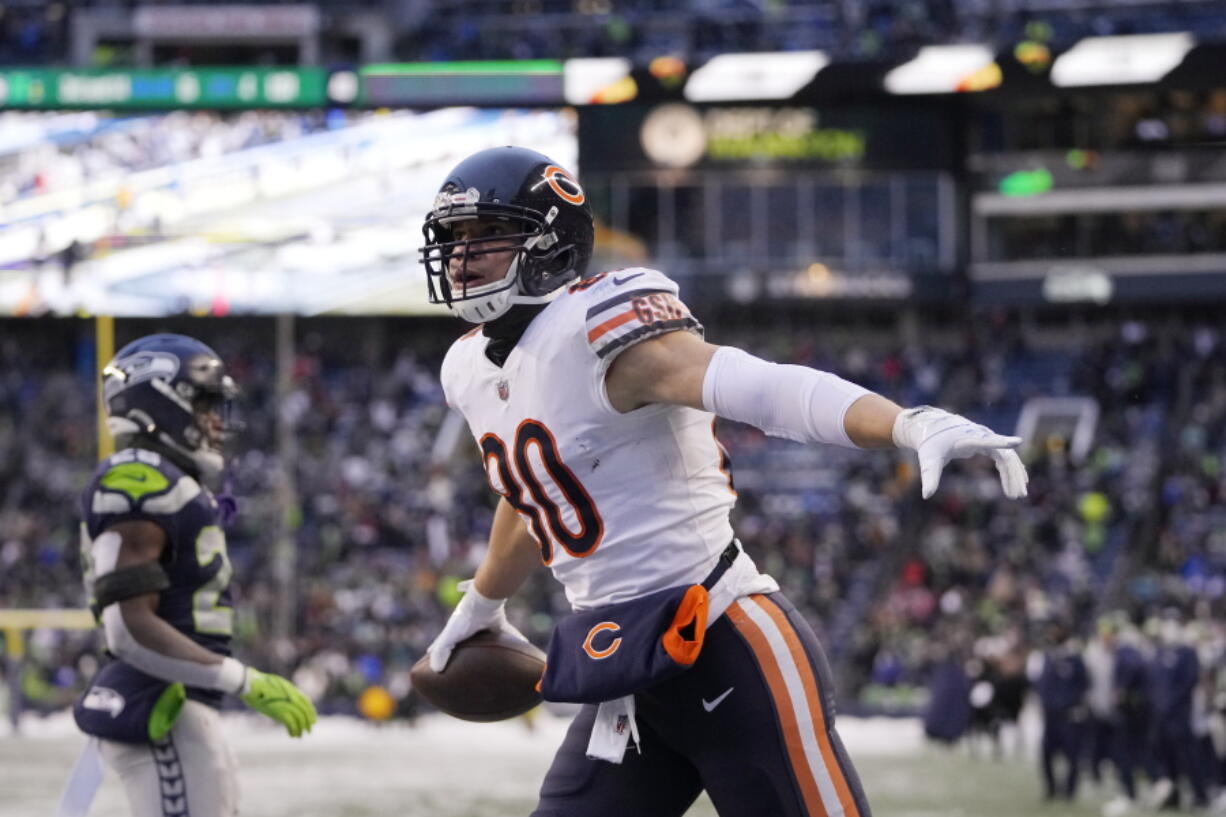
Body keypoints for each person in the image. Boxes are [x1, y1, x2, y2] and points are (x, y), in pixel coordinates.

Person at [421, 146, 1029, 817]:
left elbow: (759, 386)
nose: (461, 256)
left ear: (548, 244)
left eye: (485, 235)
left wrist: (904, 424)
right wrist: (479, 605)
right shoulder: (468, 370)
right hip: (624, 669)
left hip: (728, 645)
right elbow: (533, 496)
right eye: (454, 239)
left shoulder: (597, 328)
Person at [68, 334, 316, 817]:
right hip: (159, 702)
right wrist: (243, 680)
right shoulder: (137, 478)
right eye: (206, 403)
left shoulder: (169, 479)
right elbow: (126, 629)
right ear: (161, 402)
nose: (217, 421)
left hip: (182, 703)